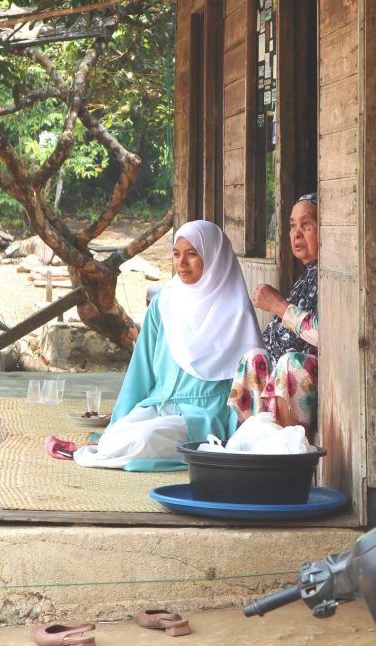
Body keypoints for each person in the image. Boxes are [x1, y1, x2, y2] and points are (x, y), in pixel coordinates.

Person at [73, 220, 264, 471]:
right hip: (159, 405)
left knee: (142, 440)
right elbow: (140, 373)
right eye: (176, 254)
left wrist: (240, 435)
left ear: (214, 257)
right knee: (113, 440)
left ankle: (190, 454)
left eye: (192, 254)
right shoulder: (164, 304)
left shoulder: (236, 312)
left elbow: (250, 380)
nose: (182, 263)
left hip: (202, 415)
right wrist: (117, 421)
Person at [228, 193, 319, 439]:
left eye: (307, 225)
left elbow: (323, 333)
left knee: (291, 364)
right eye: (292, 226)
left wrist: (281, 306)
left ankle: (288, 450)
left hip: (314, 376)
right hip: (279, 377)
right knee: (253, 358)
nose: (297, 234)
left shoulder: (329, 278)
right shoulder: (306, 278)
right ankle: (256, 445)